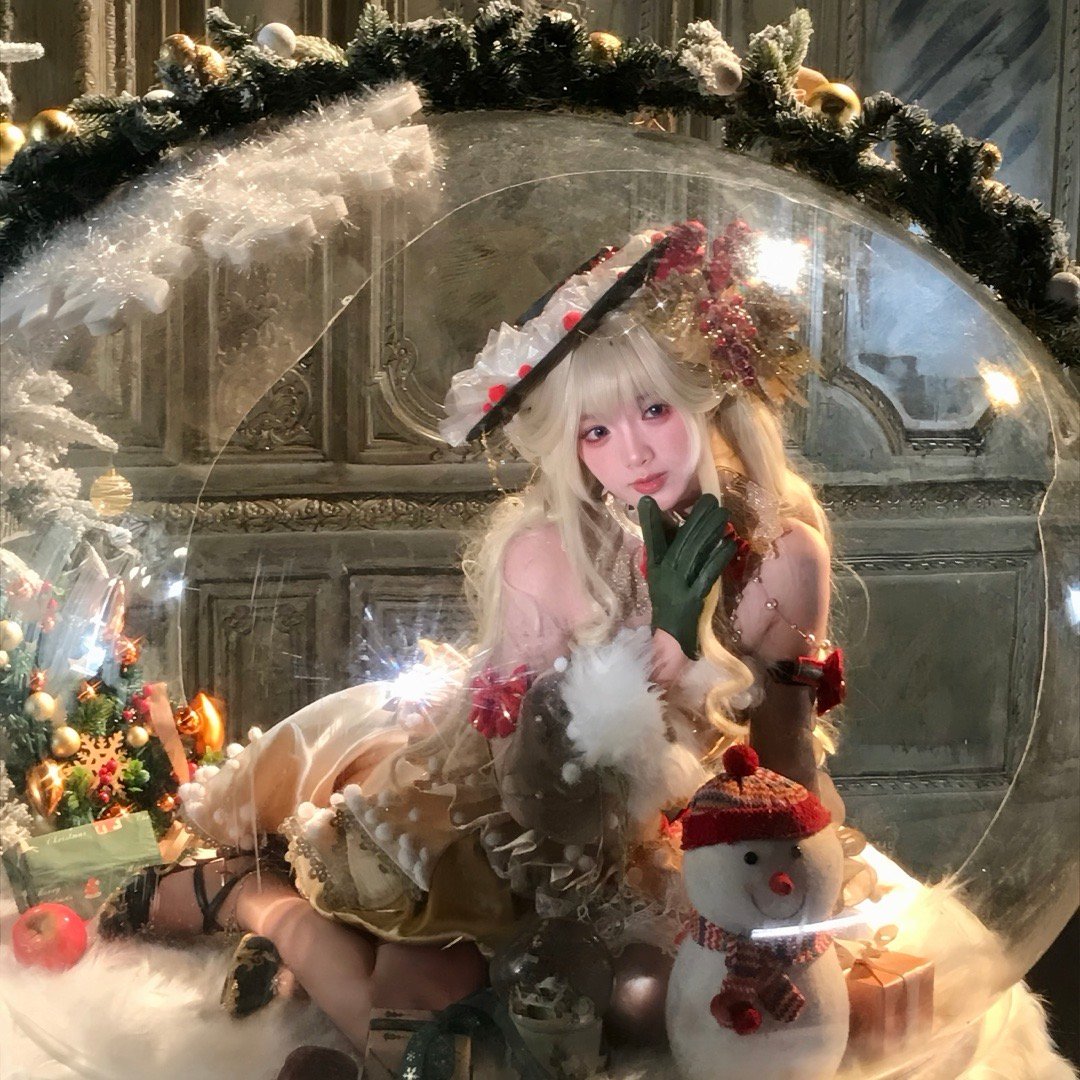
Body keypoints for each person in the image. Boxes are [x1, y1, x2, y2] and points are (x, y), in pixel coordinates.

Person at [98, 220, 846, 1057]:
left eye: (654, 409)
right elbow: (537, 797)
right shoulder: (548, 553)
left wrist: (783, 891)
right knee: (418, 1032)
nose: (633, 452)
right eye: (594, 431)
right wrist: (664, 650)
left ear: (707, 398)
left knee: (649, 1011)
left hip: (676, 838)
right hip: (507, 817)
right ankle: (253, 898)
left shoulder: (782, 555)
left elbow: (787, 759)